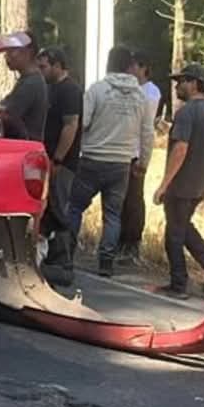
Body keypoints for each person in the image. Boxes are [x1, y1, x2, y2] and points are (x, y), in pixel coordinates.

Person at [64, 45, 155, 279]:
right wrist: (143, 161)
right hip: (122, 163)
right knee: (113, 215)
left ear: (109, 63)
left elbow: (82, 122)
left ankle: (66, 254)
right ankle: (106, 261)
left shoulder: (97, 90)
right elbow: (147, 132)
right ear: (128, 66)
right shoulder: (140, 96)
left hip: (93, 158)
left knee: (75, 207)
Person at [153, 63, 204, 297]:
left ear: (195, 83)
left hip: (181, 184)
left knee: (174, 236)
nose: (177, 85)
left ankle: (180, 284)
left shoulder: (186, 113)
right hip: (199, 183)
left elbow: (180, 149)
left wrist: (164, 184)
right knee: (183, 229)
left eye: (182, 81)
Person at [37, 46, 82, 271]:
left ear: (57, 65)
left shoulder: (69, 91)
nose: (41, 71)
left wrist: (58, 159)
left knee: (59, 207)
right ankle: (53, 255)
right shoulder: (51, 88)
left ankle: (63, 260)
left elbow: (70, 125)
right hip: (49, 158)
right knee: (51, 206)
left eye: (44, 66)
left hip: (62, 162)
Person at [118, 52, 162, 264]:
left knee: (134, 199)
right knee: (121, 199)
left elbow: (146, 127)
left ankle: (132, 242)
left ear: (143, 68)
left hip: (135, 151)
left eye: (133, 65)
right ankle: (119, 240)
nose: (129, 70)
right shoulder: (131, 89)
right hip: (124, 148)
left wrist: (144, 158)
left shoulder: (150, 93)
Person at [0, 32, 47, 140]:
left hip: (26, 148)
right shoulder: (27, 80)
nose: (7, 56)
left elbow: (6, 116)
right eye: (6, 51)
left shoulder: (31, 83)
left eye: (12, 50)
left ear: (29, 52)